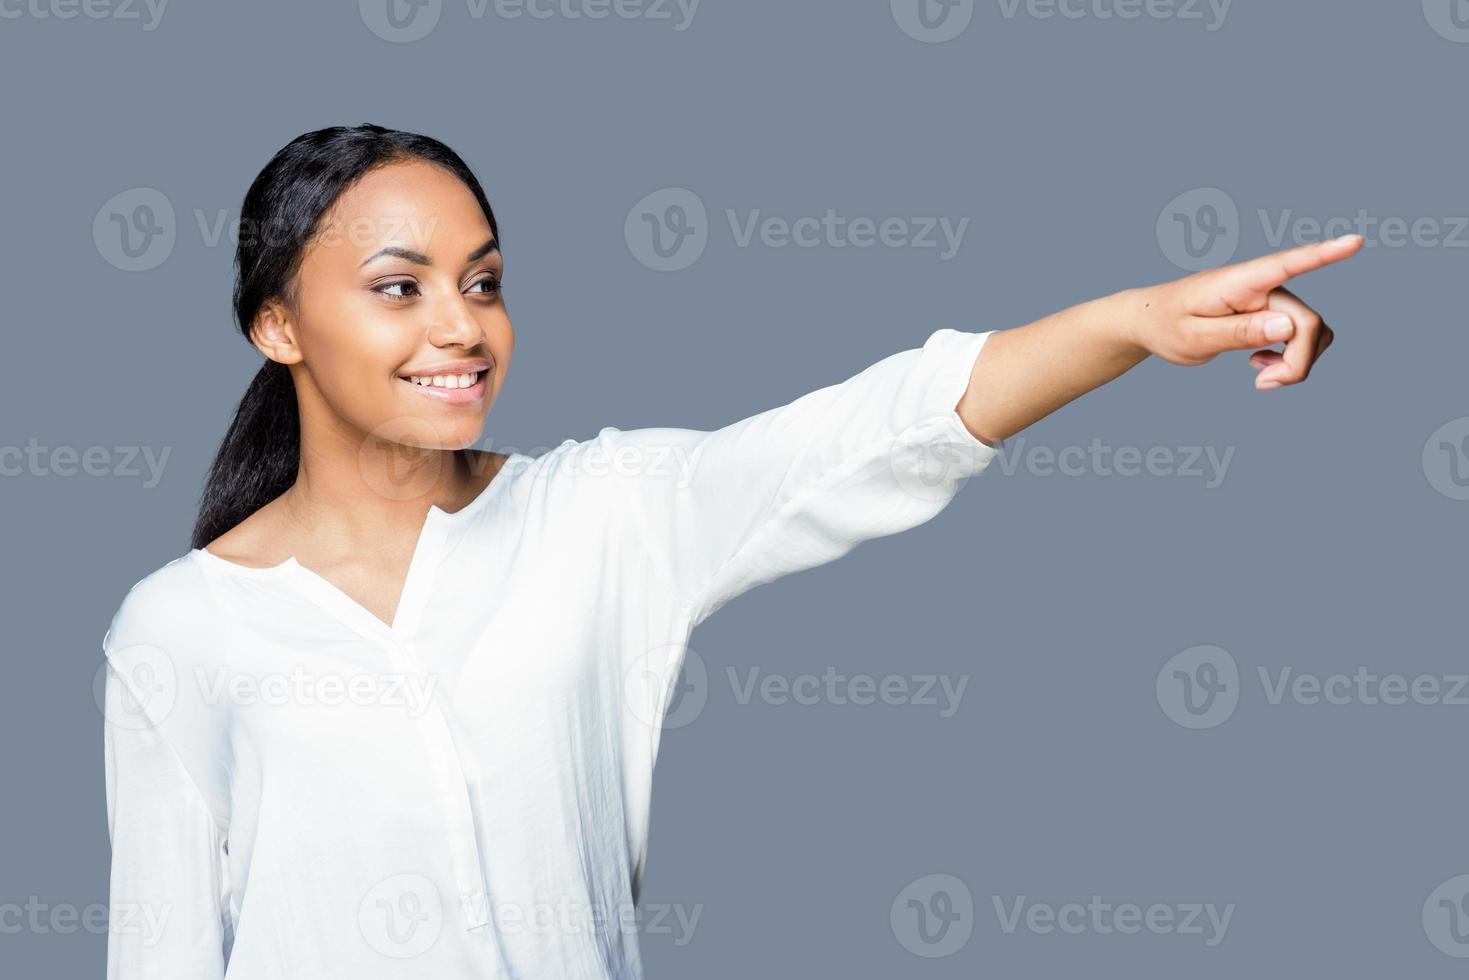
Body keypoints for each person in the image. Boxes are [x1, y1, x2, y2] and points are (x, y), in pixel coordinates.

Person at [99, 123, 1362, 979]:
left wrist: (1132, 321)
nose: (461, 326)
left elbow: (876, 429)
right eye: (399, 285)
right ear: (277, 324)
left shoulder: (600, 514)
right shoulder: (180, 629)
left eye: (482, 282)